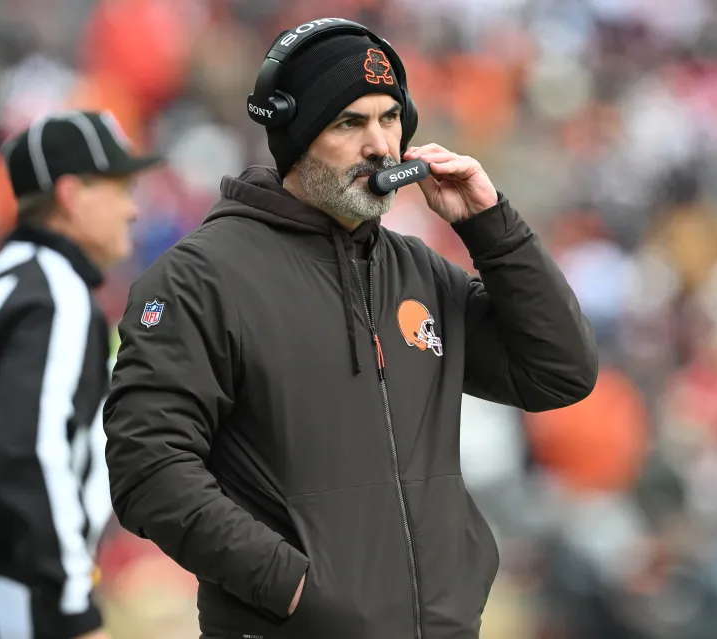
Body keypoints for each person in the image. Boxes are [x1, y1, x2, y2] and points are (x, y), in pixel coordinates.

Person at [103, 19, 598, 639]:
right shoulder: (202, 278)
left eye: (390, 118)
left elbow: (559, 372)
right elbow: (147, 465)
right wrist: (289, 586)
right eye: (349, 123)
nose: (380, 145)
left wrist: (492, 228)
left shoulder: (417, 272)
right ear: (295, 134)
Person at [0, 110, 162, 639]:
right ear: (72, 195)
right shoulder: (55, 294)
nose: (131, 209)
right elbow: (31, 451)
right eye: (119, 188)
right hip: (7, 587)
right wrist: (72, 602)